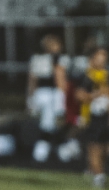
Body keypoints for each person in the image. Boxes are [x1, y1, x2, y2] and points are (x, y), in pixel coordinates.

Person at [77, 47, 109, 188]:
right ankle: (99, 178)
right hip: (92, 116)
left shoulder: (107, 75)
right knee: (94, 148)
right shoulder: (86, 76)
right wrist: (97, 94)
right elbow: (80, 96)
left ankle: (92, 169)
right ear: (92, 59)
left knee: (107, 148)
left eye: (104, 58)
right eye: (99, 57)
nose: (102, 61)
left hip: (105, 116)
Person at [25, 33, 69, 162]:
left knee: (53, 122)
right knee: (49, 122)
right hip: (48, 92)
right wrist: (31, 98)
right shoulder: (43, 59)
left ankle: (52, 149)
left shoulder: (57, 59)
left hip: (51, 92)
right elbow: (34, 80)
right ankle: (45, 151)